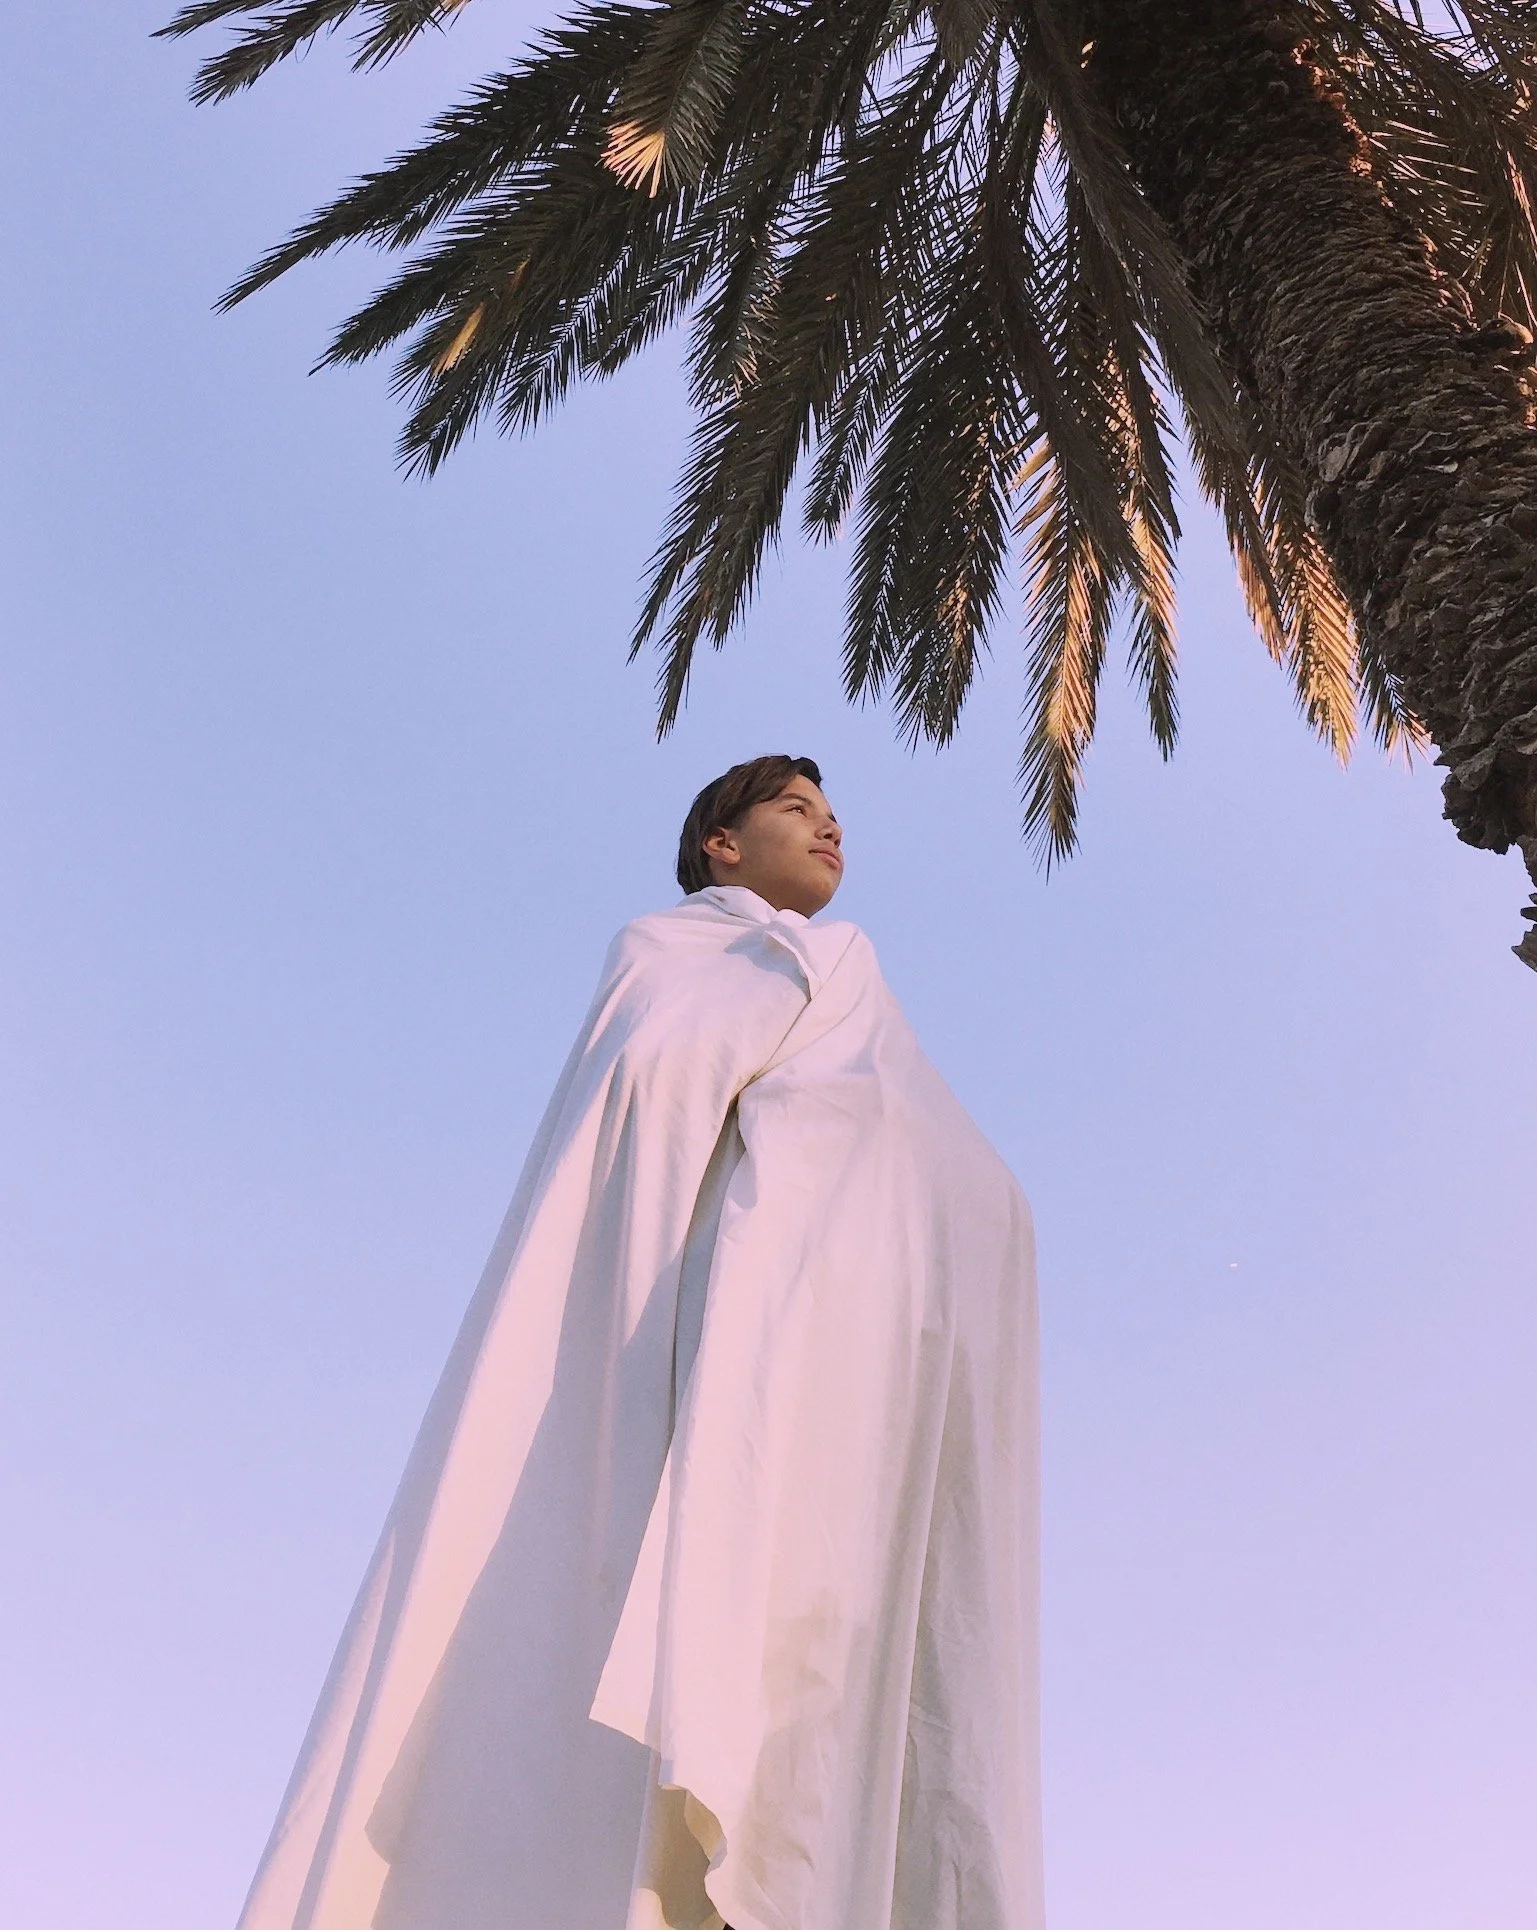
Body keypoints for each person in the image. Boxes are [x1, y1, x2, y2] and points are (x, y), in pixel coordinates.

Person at [237, 755, 1042, 1930]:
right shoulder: (666, 952)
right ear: (720, 843)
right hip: (693, 1307)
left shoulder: (850, 975)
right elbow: (650, 1098)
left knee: (816, 1656)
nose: (827, 830)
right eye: (793, 809)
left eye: (832, 816)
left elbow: (944, 1170)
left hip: (829, 1348)